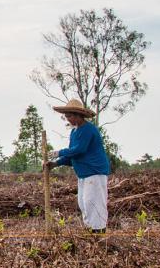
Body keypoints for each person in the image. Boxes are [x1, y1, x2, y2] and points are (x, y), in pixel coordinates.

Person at [43, 99, 110, 232]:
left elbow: (79, 150)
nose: (68, 119)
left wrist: (58, 153)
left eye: (69, 116)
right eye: (66, 116)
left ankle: (99, 232)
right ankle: (90, 230)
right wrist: (56, 163)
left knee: (93, 203)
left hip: (94, 172)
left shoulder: (88, 129)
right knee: (83, 203)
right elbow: (72, 155)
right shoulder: (74, 132)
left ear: (79, 115)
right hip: (83, 174)